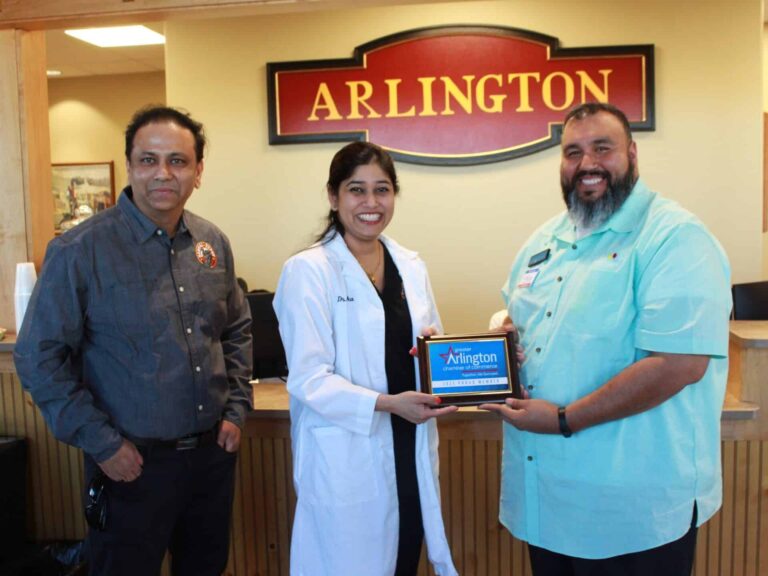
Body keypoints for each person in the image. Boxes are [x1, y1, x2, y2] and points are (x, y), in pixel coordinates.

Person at [481, 102, 731, 576]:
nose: (587, 163)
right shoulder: (544, 240)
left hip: (631, 511)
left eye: (602, 148)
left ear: (632, 154)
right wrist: (506, 340)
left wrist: (562, 418)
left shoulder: (674, 238)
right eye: (573, 152)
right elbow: (517, 319)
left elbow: (679, 364)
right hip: (549, 499)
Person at [14, 106, 253, 576]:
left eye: (178, 161)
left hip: (210, 461)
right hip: (130, 465)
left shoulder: (212, 243)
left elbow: (237, 330)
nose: (163, 173)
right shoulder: (79, 251)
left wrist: (236, 409)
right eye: (148, 160)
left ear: (198, 172)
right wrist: (101, 444)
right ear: (130, 165)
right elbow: (37, 356)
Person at [273, 141, 458, 576]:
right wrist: (388, 403)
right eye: (357, 190)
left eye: (383, 190)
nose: (371, 204)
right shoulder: (309, 271)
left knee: (403, 557)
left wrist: (435, 349)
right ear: (333, 197)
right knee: (350, 562)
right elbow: (308, 378)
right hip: (349, 455)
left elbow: (433, 342)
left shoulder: (411, 266)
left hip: (408, 446)